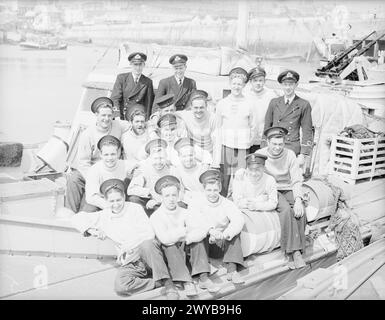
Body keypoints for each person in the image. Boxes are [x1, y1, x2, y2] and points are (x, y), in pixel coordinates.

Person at [71, 178, 179, 299]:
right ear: (106, 201)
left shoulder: (135, 208)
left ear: (124, 197)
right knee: (121, 286)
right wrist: (90, 230)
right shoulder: (104, 215)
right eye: (112, 201)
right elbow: (77, 218)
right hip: (131, 262)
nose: (116, 204)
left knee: (148, 244)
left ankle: (169, 285)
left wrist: (129, 245)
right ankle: (157, 282)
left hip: (147, 254)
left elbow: (149, 233)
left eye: (119, 200)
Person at [150, 175, 220, 296]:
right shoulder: (157, 216)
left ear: (178, 196)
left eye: (174, 195)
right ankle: (186, 281)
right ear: (161, 197)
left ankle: (203, 278)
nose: (171, 199)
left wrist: (187, 238)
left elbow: (201, 230)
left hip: (186, 250)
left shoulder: (185, 212)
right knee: (170, 245)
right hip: (171, 256)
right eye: (167, 196)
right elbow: (165, 239)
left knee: (196, 241)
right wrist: (184, 231)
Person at [65, 97, 129, 213]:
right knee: (73, 179)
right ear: (96, 115)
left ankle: (87, 212)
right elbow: (83, 162)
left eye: (109, 116)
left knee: (90, 202)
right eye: (103, 116)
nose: (106, 119)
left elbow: (133, 125)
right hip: (92, 170)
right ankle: (69, 213)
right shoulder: (87, 134)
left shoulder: (118, 125)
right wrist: (93, 179)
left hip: (111, 167)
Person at [258, 126, 307, 269]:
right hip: (271, 189)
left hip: (288, 187)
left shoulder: (290, 154)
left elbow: (296, 179)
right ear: (268, 142)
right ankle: (293, 252)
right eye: (274, 144)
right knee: (285, 210)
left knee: (300, 210)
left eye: (280, 144)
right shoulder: (260, 154)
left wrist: (298, 199)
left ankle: (298, 250)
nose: (277, 147)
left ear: (284, 143)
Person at [194, 169, 245, 284]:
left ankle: (232, 270)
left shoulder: (227, 203)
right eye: (209, 190)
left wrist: (226, 234)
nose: (212, 193)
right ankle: (203, 276)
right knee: (196, 236)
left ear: (220, 189)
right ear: (203, 189)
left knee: (235, 233)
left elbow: (238, 220)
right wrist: (210, 230)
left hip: (221, 241)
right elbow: (194, 221)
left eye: (215, 190)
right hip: (205, 244)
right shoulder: (197, 203)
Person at [213, 67, 256, 197]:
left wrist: (248, 142)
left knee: (240, 178)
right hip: (226, 146)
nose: (237, 86)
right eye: (234, 83)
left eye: (239, 84)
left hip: (242, 147)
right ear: (230, 84)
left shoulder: (249, 103)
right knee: (224, 179)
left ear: (243, 85)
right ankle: (221, 203)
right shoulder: (222, 103)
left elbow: (253, 127)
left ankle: (239, 205)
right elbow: (218, 127)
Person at [262, 70, 313, 168]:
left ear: (296, 85)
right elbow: (267, 126)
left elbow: (307, 130)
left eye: (291, 84)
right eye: (285, 84)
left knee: (288, 177)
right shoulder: (274, 102)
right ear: (281, 85)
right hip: (274, 145)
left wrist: (303, 154)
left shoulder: (303, 104)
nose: (288, 87)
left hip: (291, 146)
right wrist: (264, 146)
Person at [126, 138, 182, 215]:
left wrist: (158, 201)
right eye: (155, 158)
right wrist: (149, 192)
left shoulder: (172, 169)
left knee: (180, 204)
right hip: (148, 203)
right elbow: (131, 190)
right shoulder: (143, 168)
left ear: (166, 157)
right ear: (150, 158)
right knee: (133, 199)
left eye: (161, 158)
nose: (158, 162)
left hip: (167, 202)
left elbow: (180, 191)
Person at [84, 135, 138, 211]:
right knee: (89, 209)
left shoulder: (125, 165)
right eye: (106, 154)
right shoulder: (94, 170)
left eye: (113, 154)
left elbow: (141, 165)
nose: (110, 158)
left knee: (134, 200)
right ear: (100, 154)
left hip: (120, 201)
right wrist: (110, 206)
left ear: (118, 153)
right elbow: (91, 197)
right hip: (102, 203)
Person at [110, 52, 154, 120]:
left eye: (140, 65)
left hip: (138, 117)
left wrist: (146, 119)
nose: (138, 67)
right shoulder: (122, 78)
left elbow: (148, 104)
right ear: (130, 64)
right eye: (135, 65)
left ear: (144, 65)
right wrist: (117, 116)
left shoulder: (147, 82)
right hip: (122, 117)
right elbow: (115, 98)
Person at [245, 66, 278, 153]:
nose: (258, 83)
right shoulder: (245, 95)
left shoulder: (271, 95)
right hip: (248, 139)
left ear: (265, 81)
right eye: (255, 81)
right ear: (250, 82)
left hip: (265, 138)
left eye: (260, 80)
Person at [177, 90, 218, 156]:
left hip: (210, 153)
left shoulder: (213, 118)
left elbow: (216, 141)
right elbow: (169, 112)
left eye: (201, 107)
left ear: (206, 106)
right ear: (191, 107)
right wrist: (154, 116)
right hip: (194, 154)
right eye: (196, 108)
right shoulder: (186, 115)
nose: (198, 110)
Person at [173, 137, 209, 206]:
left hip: (205, 201)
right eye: (184, 156)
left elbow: (209, 190)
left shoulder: (203, 168)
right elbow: (180, 191)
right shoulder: (178, 170)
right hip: (189, 201)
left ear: (195, 154)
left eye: (190, 155)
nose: (188, 159)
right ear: (179, 157)